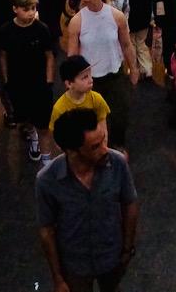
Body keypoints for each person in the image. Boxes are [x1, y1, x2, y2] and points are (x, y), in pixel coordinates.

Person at [36, 108, 138, 292]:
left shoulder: (118, 163)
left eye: (103, 141)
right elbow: (47, 231)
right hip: (75, 265)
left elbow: (130, 203)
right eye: (94, 147)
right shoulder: (47, 180)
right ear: (71, 151)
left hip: (111, 257)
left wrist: (127, 249)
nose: (105, 150)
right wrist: (58, 278)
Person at [67, 0, 139, 150]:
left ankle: (117, 148)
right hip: (89, 81)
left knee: (119, 116)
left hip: (114, 75)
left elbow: (126, 45)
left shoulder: (116, 16)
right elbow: (72, 55)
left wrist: (134, 69)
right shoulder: (77, 21)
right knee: (92, 121)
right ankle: (97, 150)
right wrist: (71, 81)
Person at [0, 0, 56, 162]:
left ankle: (46, 162)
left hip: (39, 84)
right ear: (15, 8)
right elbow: (3, 56)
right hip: (18, 84)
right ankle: (32, 136)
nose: (31, 13)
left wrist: (49, 81)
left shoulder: (42, 29)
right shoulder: (6, 31)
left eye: (33, 8)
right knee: (25, 118)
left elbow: (49, 56)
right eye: (26, 9)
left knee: (44, 125)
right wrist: (7, 81)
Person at [50, 55, 110, 137]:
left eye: (90, 75)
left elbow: (103, 129)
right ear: (69, 84)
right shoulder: (59, 109)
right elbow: (57, 136)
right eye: (84, 77)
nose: (91, 80)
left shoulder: (96, 99)